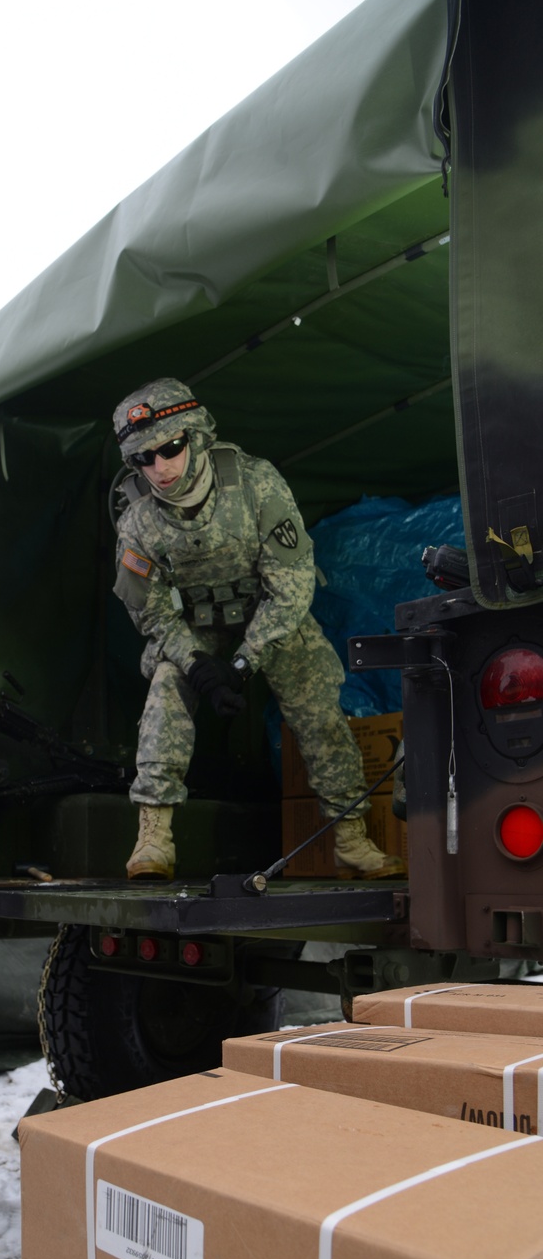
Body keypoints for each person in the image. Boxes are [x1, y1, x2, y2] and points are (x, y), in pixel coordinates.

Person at [112, 377, 403, 881]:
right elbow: (151, 611)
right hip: (196, 629)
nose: (159, 467)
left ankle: (352, 841)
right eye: (143, 458)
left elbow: (290, 588)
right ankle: (153, 839)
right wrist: (197, 665)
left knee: (319, 709)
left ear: (195, 436)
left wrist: (241, 667)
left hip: (268, 615)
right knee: (164, 696)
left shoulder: (254, 483)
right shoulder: (137, 520)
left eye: (170, 448)